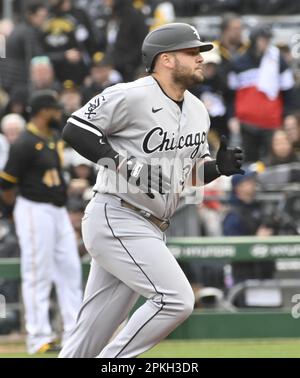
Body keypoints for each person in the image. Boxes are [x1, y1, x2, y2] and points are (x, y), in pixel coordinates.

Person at [58, 22, 244, 358]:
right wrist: (123, 165)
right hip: (118, 213)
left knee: (87, 339)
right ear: (166, 59)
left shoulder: (198, 110)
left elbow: (187, 175)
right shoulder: (131, 94)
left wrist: (219, 168)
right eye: (192, 52)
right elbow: (75, 129)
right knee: (176, 300)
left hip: (150, 225)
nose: (201, 58)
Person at [0, 90, 82, 354]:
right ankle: (38, 337)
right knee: (38, 272)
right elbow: (6, 184)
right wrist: (15, 212)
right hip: (34, 208)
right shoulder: (24, 142)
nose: (58, 113)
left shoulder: (52, 137)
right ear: (41, 111)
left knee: (70, 269)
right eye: (53, 109)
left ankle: (75, 332)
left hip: (57, 210)